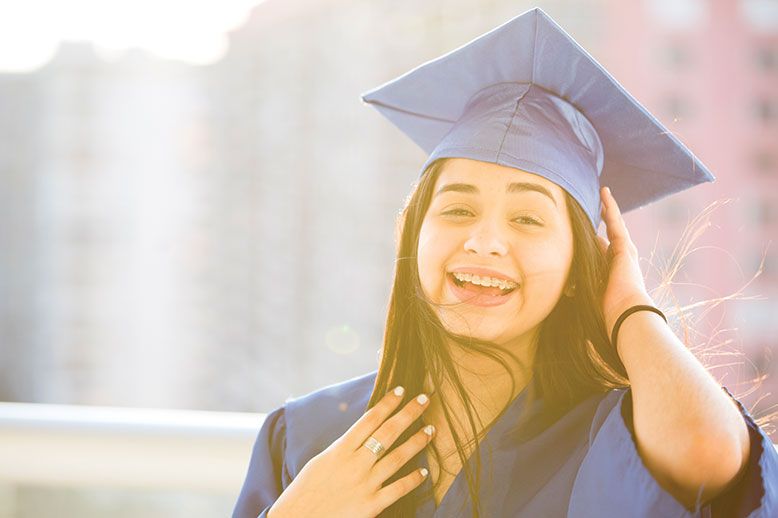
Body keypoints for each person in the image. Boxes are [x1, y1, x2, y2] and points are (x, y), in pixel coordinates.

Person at [233, 8, 778, 518]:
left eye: (527, 220)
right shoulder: (306, 435)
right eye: (458, 209)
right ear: (413, 234)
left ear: (577, 266)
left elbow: (706, 451)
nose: (485, 240)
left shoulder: (611, 437)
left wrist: (630, 307)